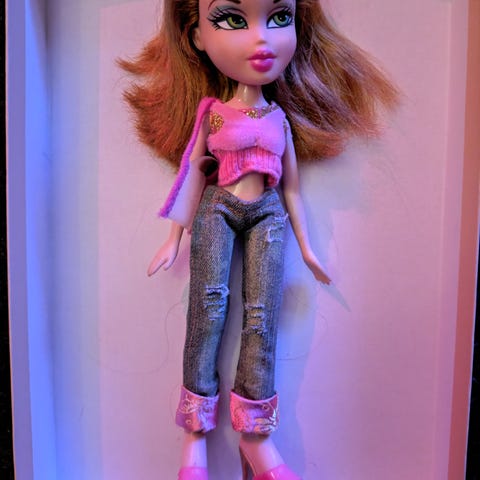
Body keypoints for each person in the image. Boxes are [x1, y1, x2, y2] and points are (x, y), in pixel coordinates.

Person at [120, 1, 398, 478]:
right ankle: (194, 435)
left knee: (261, 316)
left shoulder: (279, 119)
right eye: (232, 19)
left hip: (267, 213)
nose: (261, 38)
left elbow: (292, 188)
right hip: (219, 206)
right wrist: (173, 236)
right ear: (197, 36)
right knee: (207, 307)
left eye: (280, 17)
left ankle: (255, 435)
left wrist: (308, 248)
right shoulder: (212, 114)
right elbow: (192, 172)